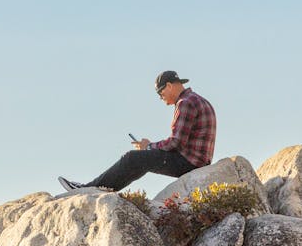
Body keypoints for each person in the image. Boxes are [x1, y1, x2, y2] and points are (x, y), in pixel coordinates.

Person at [58, 70, 216, 192]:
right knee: (140, 160)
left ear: (168, 86)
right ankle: (104, 188)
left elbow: (176, 142)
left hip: (189, 163)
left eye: (161, 95)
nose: (163, 100)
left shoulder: (185, 103)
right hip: (197, 161)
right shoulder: (199, 100)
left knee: (132, 159)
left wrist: (149, 147)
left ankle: (89, 189)